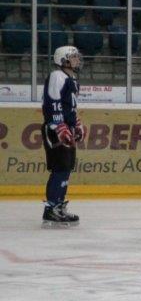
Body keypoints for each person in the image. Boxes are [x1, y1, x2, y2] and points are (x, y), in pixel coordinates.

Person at [41, 46, 86, 227]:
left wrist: (76, 124)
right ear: (63, 59)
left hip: (66, 128)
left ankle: (58, 205)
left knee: (66, 168)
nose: (77, 59)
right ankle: (51, 208)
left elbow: (70, 107)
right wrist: (59, 126)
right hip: (55, 129)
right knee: (60, 169)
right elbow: (52, 103)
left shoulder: (72, 79)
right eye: (73, 56)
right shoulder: (57, 76)